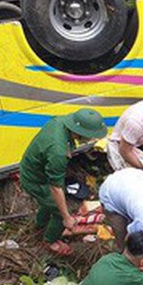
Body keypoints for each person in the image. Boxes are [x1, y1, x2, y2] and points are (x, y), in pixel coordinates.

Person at [20, 109, 107, 256]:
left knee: (49, 203)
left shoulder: (59, 122)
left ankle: (40, 224)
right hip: (36, 180)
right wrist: (66, 217)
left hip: (34, 169)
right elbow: (55, 188)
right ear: (81, 132)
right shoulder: (58, 152)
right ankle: (50, 240)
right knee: (59, 212)